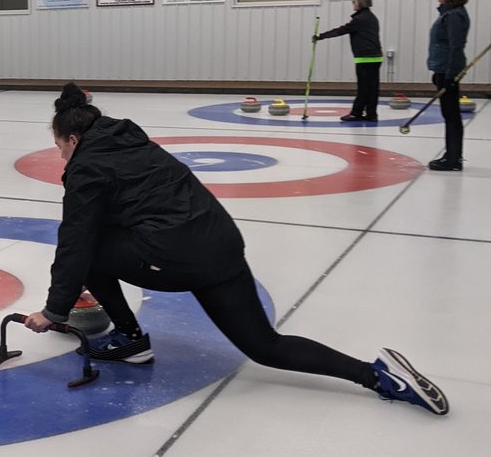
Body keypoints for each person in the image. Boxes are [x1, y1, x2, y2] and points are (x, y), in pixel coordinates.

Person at [23, 83, 448, 415]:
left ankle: (131, 339)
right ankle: (377, 376)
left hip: (176, 255)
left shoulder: (86, 168)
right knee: (265, 345)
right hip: (220, 243)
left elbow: (75, 242)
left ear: (73, 139)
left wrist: (55, 311)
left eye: (60, 147)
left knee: (88, 246)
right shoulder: (132, 142)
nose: (60, 157)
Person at [313, 0, 383, 121]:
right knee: (372, 88)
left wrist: (320, 36)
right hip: (376, 57)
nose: (353, 4)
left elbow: (341, 30)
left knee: (363, 88)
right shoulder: (372, 17)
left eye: (354, 1)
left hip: (365, 58)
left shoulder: (360, 19)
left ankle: (356, 113)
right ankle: (372, 114)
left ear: (360, 3)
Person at [427, 0, 470, 172]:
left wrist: (449, 76)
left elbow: (455, 47)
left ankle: (453, 158)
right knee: (449, 114)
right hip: (442, 69)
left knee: (451, 115)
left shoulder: (454, 16)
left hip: (448, 72)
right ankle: (451, 155)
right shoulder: (447, 13)